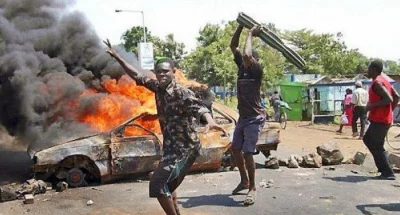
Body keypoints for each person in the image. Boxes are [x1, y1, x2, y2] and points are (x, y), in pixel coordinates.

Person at [104, 40, 226, 214]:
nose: (161, 75)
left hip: (185, 149)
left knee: (158, 185)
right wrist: (117, 57)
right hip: (171, 149)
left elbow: (199, 107)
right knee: (165, 184)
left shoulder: (181, 92)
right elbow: (137, 76)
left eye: (165, 72)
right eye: (158, 72)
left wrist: (210, 120)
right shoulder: (158, 88)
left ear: (173, 73)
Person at [230, 24, 265, 205]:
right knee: (235, 149)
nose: (245, 61)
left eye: (248, 60)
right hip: (243, 118)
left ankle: (252, 188)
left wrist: (251, 33)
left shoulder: (257, 71)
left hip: (255, 117)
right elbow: (233, 47)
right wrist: (240, 26)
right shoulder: (242, 68)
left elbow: (245, 54)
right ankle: (244, 180)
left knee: (247, 152)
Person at [364, 60, 399, 180]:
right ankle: (385, 167)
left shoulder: (377, 83)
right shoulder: (385, 81)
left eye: (369, 68)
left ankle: (387, 172)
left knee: (376, 144)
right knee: (368, 140)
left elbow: (389, 99)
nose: (367, 71)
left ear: (374, 69)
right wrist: (389, 111)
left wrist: (370, 107)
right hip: (382, 118)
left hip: (380, 120)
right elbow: (396, 97)